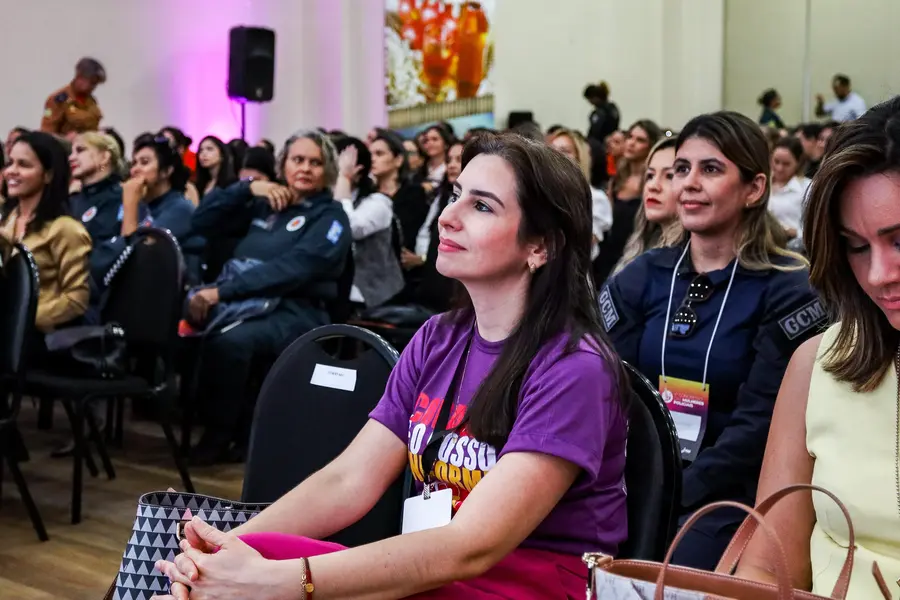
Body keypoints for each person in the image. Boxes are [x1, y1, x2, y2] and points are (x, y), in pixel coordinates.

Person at [155, 132, 628, 600]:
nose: (448, 217)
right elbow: (349, 480)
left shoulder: (574, 368)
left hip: (525, 583)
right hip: (439, 565)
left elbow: (471, 547)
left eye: (481, 206)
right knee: (234, 563)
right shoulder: (438, 337)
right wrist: (225, 549)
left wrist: (277, 580)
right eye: (456, 195)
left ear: (540, 246)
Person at [601, 111, 825, 570]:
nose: (689, 183)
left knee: (673, 562)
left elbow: (758, 424)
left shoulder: (788, 286)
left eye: (711, 169)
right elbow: (609, 389)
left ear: (755, 188)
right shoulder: (644, 275)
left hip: (732, 492)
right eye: (682, 168)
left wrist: (670, 491)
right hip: (639, 476)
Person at [735, 96, 900, 600]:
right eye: (856, 245)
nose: (878, 274)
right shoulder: (820, 365)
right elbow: (764, 571)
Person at [186, 130, 352, 464]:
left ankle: (222, 438)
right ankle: (227, 429)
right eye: (297, 160)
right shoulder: (266, 204)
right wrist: (247, 187)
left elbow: (294, 269)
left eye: (315, 163)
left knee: (230, 342)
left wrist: (222, 291)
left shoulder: (331, 217)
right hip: (246, 301)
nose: (305, 168)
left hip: (297, 309)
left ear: (329, 171)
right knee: (192, 333)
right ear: (283, 165)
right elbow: (199, 221)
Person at [1, 132, 90, 332]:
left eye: (23, 165)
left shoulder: (65, 228)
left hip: (39, 341)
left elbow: (77, 300)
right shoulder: (7, 221)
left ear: (48, 174)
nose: (11, 171)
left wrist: (20, 318)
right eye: (10, 163)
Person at [68, 131, 149, 292]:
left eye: (80, 150)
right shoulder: (71, 200)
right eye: (71, 152)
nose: (71, 157)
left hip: (102, 292)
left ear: (104, 157)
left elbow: (127, 249)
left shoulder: (124, 198)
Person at [334, 136, 404, 308]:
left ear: (357, 171)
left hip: (371, 296)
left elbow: (348, 228)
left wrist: (343, 178)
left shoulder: (378, 203)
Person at [594, 120, 663, 285]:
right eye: (630, 137)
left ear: (651, 146)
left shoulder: (652, 183)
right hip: (608, 252)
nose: (631, 143)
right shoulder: (617, 178)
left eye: (640, 140)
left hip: (636, 251)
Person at [615, 137, 681, 272]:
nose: (653, 186)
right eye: (650, 175)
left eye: (669, 176)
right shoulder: (640, 244)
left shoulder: (690, 261)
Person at [547, 127, 613, 261]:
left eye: (565, 151)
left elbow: (581, 245)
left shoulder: (595, 198)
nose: (557, 155)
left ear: (579, 157)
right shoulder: (541, 193)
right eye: (552, 150)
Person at [370, 129, 429, 257]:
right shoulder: (366, 195)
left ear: (398, 160)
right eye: (370, 155)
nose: (372, 159)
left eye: (379, 154)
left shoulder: (414, 193)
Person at [40, 58, 106, 138]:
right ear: (79, 77)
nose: (92, 87)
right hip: (63, 147)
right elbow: (46, 131)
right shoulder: (57, 99)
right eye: (91, 82)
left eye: (95, 84)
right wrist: (65, 140)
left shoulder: (91, 101)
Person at [769, 136, 810, 240]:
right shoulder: (762, 184)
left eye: (786, 164)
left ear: (798, 163)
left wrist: (794, 232)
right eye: (776, 161)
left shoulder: (807, 188)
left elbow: (816, 228)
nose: (779, 168)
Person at [195, 135, 237, 200]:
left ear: (222, 155)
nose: (204, 153)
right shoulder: (199, 184)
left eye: (209, 149)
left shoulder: (231, 184)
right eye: (201, 150)